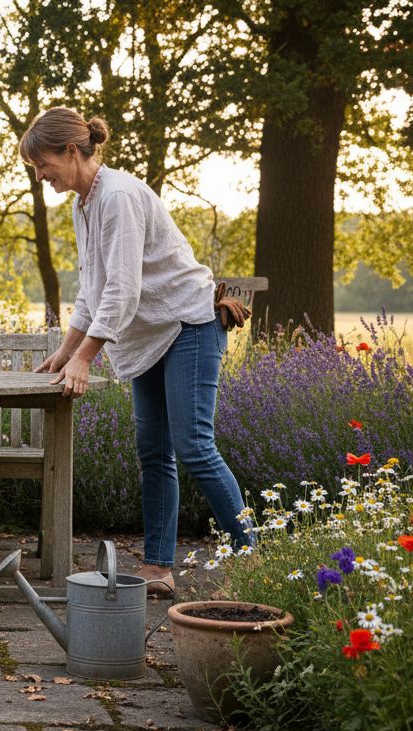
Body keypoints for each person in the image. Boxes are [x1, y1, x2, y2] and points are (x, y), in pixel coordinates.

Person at [21, 107, 252, 597]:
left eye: (43, 165)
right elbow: (92, 289)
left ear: (70, 150)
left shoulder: (118, 196)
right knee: (154, 452)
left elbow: (122, 292)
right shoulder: (85, 203)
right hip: (151, 337)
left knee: (194, 446)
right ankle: (158, 567)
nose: (41, 176)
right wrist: (65, 352)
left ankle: (253, 556)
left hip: (189, 325)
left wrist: (87, 357)